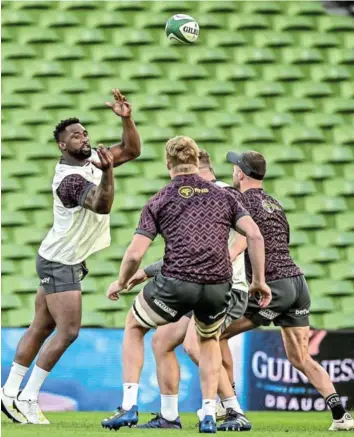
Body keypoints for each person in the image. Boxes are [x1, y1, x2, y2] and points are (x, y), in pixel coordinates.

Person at [101, 137, 271, 434]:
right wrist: (260, 281)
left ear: (168, 164)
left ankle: (129, 407)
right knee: (200, 342)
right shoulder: (227, 197)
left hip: (178, 283)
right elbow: (255, 236)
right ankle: (205, 415)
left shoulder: (161, 198)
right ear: (197, 161)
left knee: (134, 326)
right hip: (218, 285)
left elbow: (135, 252)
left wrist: (123, 280)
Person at [1, 89, 141, 425]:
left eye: (85, 132)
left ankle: (9, 392)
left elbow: (133, 150)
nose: (83, 137)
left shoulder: (92, 161)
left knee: (42, 325)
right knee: (69, 331)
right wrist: (108, 173)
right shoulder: (69, 180)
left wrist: (126, 118)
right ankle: (29, 397)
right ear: (62, 145)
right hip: (59, 261)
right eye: (75, 135)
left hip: (62, 257)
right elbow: (101, 204)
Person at [217, 150, 354, 432]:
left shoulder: (240, 200)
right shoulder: (274, 203)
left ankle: (227, 404)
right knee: (300, 357)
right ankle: (341, 415)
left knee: (215, 334)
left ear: (241, 173)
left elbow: (245, 241)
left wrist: (222, 263)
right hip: (297, 283)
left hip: (273, 285)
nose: (232, 171)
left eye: (234, 167)